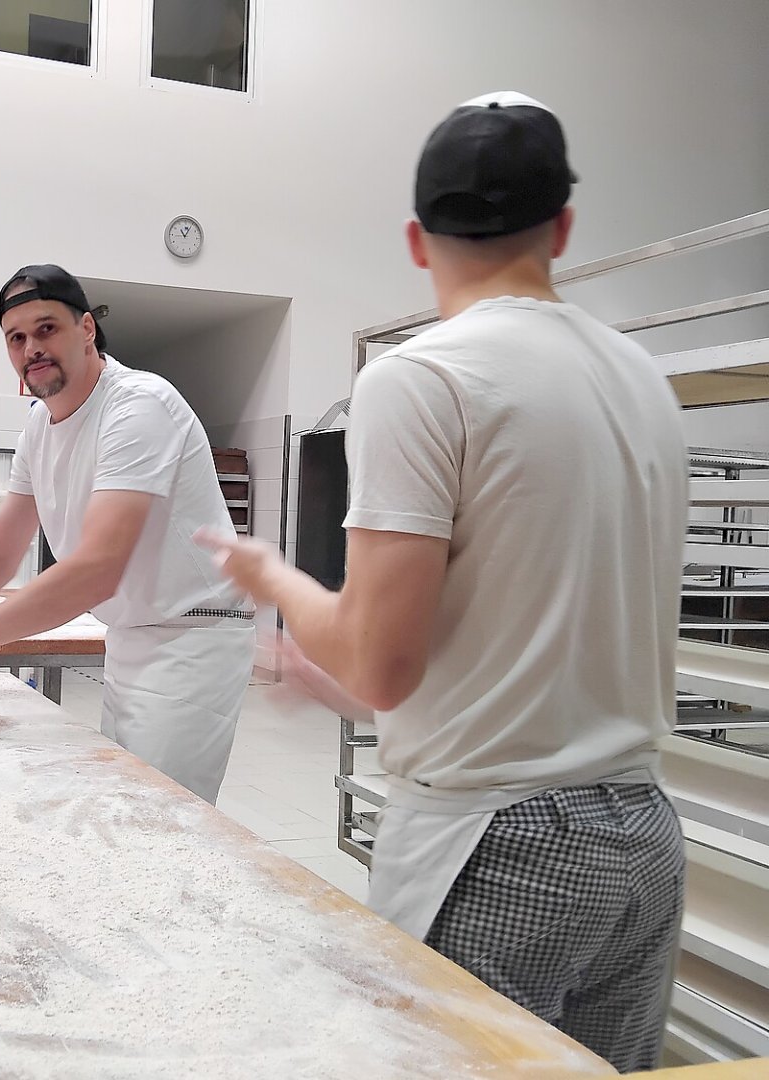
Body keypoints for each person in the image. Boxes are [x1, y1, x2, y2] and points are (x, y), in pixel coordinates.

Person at [198, 92, 687, 1072]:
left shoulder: (423, 378)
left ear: (418, 242)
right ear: (563, 229)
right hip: (642, 834)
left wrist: (274, 578)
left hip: (500, 847)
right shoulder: (645, 381)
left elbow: (382, 662)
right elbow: (529, 614)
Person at [0, 265, 255, 803]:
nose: (32, 348)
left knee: (159, 817)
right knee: (126, 799)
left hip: (193, 637)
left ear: (87, 329)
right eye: (16, 338)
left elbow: (96, 570)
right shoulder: (38, 426)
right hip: (133, 634)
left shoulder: (139, 405)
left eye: (47, 329)